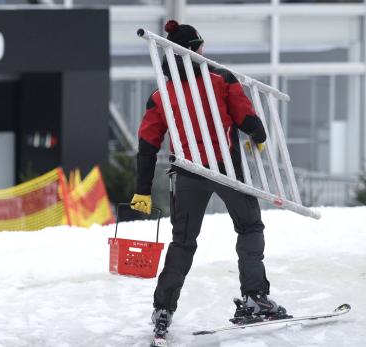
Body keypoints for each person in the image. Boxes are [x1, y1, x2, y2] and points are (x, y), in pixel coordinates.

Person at [130, 20, 289, 341]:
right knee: (249, 227)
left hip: (188, 174)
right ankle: (255, 297)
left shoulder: (161, 95)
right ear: (191, 50)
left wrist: (142, 189)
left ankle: (163, 308)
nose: (205, 52)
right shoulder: (221, 79)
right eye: (201, 47)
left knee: (183, 242)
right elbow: (246, 119)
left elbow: (147, 145)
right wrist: (259, 135)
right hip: (226, 170)